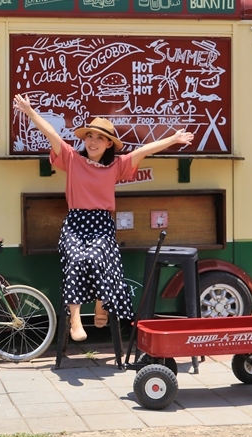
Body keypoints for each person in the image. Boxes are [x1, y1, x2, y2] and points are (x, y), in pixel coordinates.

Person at [13, 94, 195, 341]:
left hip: (102, 224)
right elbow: (51, 135)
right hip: (75, 223)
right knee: (76, 259)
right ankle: (75, 319)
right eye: (90, 136)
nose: (93, 141)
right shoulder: (72, 159)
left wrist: (173, 139)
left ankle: (102, 304)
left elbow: (143, 151)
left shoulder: (116, 166)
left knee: (99, 256)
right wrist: (30, 111)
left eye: (100, 138)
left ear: (109, 144)